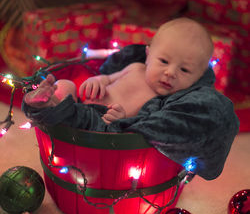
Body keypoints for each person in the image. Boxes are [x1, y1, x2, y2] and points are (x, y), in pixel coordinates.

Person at [22, 17, 239, 180]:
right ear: (148, 54)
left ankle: (50, 108)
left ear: (197, 78)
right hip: (83, 100)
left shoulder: (164, 103)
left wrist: (121, 118)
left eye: (184, 70)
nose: (170, 73)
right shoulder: (135, 68)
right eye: (163, 61)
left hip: (100, 123)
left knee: (76, 113)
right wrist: (98, 81)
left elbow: (139, 125)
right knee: (66, 85)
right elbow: (107, 77)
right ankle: (47, 100)